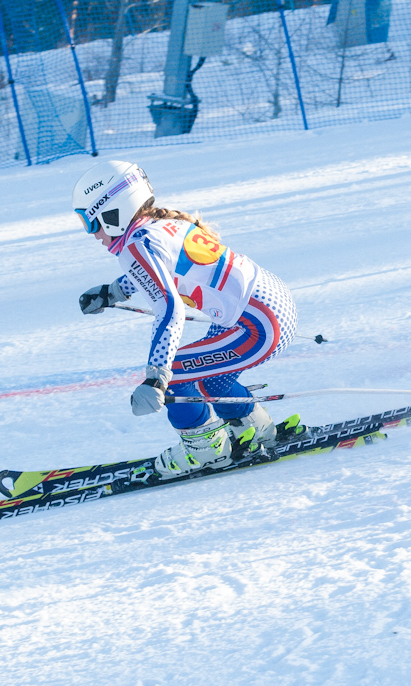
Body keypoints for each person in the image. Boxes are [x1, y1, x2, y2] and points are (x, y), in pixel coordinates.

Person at [73, 160, 300, 479]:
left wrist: (156, 378)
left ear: (113, 213)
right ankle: (255, 428)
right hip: (268, 307)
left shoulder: (137, 244)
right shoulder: (160, 224)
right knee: (206, 376)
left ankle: (206, 452)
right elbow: (159, 273)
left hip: (257, 324)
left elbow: (169, 309)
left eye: (89, 221)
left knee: (177, 372)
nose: (92, 233)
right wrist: (113, 292)